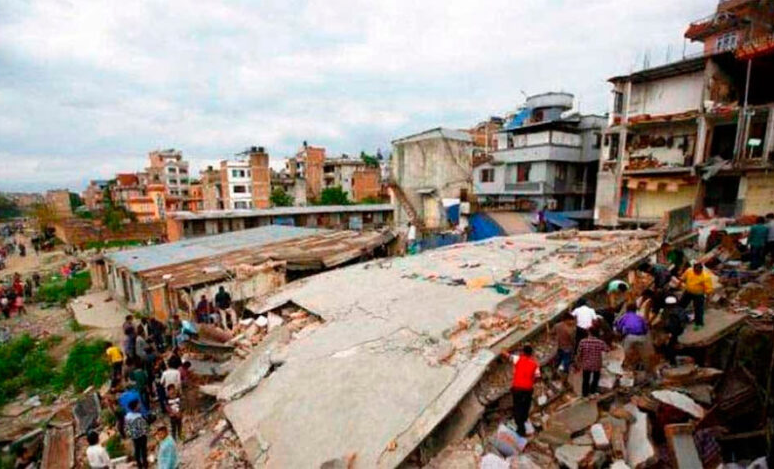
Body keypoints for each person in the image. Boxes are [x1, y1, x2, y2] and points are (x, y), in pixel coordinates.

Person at [505, 345, 540, 437]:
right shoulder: (534, 364)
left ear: (523, 352)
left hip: (517, 388)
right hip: (528, 389)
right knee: (525, 407)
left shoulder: (518, 359)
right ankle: (523, 421)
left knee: (517, 407)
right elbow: (537, 376)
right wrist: (531, 381)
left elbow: (507, 355)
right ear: (531, 354)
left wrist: (504, 350)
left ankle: (521, 429)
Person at [678, 263, 713, 330]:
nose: (696, 272)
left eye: (698, 271)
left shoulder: (706, 277)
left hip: (698, 295)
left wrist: (708, 299)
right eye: (695, 271)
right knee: (681, 305)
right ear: (693, 269)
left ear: (701, 269)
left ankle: (699, 324)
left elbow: (709, 290)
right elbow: (683, 278)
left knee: (698, 309)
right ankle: (678, 318)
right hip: (688, 292)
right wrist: (678, 285)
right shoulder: (689, 271)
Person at [576, 328, 608, 397]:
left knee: (585, 380)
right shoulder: (601, 342)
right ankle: (592, 392)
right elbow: (606, 350)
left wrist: (578, 362)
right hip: (597, 364)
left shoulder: (582, 342)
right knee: (595, 379)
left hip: (586, 364)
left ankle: (584, 394)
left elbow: (579, 353)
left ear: (589, 333)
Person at [662, 296, 690, 366]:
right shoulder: (680, 310)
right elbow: (685, 320)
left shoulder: (667, 311)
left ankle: (673, 362)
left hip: (674, 331)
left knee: (670, 347)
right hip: (680, 331)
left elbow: (665, 322)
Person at [125, 400, 149, 469]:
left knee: (137, 450)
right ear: (135, 407)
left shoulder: (127, 416)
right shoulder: (139, 416)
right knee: (143, 450)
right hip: (142, 436)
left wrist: (129, 434)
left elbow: (127, 427)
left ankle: (139, 465)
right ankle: (145, 465)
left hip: (134, 437)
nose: (140, 406)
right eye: (138, 405)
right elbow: (144, 426)